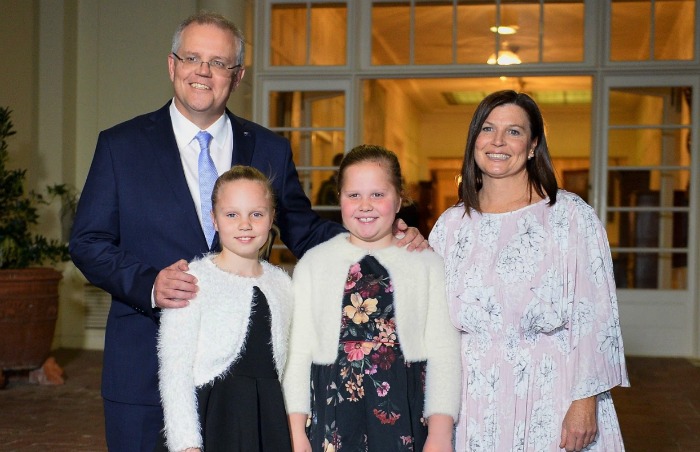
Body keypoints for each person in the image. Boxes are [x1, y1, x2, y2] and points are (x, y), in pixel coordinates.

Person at [68, 12, 425, 451]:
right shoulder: (120, 145)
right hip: (144, 360)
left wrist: (383, 238)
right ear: (171, 65)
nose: (203, 71)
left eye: (218, 63)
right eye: (192, 57)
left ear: (236, 77)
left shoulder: (269, 147)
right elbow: (88, 241)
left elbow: (303, 229)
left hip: (243, 379)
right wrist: (149, 285)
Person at [428, 90, 629, 452]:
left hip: (550, 396)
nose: (498, 141)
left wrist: (585, 402)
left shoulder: (569, 216)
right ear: (474, 139)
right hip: (471, 402)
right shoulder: (450, 225)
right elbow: (432, 320)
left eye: (514, 132)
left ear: (533, 145)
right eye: (487, 129)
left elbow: (595, 315)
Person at [284, 145, 461, 452]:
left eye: (378, 194)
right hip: (333, 414)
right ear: (339, 199)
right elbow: (297, 354)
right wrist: (296, 431)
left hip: (404, 413)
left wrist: (440, 433)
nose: (365, 205)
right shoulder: (314, 263)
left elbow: (444, 352)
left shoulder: (427, 264)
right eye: (353, 195)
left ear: (399, 199)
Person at [156, 166, 292, 452]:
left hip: (268, 420)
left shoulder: (283, 284)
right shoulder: (192, 280)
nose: (245, 224)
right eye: (232, 214)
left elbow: (289, 364)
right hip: (214, 418)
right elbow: (175, 369)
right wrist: (186, 443)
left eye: (257, 214)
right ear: (214, 220)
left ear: (271, 219)